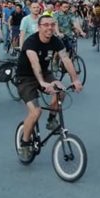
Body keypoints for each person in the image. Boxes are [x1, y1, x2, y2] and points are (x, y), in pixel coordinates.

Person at [16, 14, 83, 159]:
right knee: (36, 112)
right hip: (25, 78)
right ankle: (25, 142)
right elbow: (35, 63)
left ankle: (51, 119)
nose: (50, 28)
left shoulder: (56, 41)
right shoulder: (31, 42)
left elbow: (66, 59)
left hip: (45, 74)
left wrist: (75, 80)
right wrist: (42, 82)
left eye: (52, 24)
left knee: (61, 91)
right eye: (46, 25)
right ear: (39, 27)